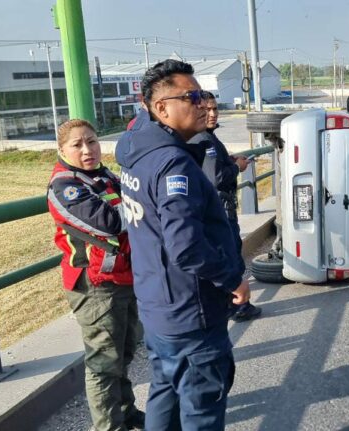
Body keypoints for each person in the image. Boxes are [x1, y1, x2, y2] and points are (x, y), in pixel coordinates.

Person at [115, 59, 250, 431]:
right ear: (162, 108)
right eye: (192, 96)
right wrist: (231, 279)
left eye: (203, 95)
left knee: (164, 392)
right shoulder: (174, 165)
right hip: (190, 311)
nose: (204, 103)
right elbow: (186, 246)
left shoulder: (133, 147)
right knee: (202, 408)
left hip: (158, 306)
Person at [47, 119, 144, 431]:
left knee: (124, 351)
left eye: (92, 141)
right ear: (62, 150)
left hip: (122, 277)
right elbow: (108, 223)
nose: (87, 149)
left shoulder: (103, 175)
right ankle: (107, 426)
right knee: (104, 362)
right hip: (95, 285)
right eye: (77, 145)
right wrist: (144, 205)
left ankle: (126, 413)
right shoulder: (65, 186)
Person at [189, 92, 262, 322]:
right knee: (230, 255)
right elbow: (215, 177)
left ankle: (232, 304)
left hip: (218, 205)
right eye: (206, 110)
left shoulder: (206, 137)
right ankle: (238, 306)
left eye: (214, 109)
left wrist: (229, 160)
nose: (211, 114)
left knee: (229, 252)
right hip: (220, 206)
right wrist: (237, 167)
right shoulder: (203, 139)